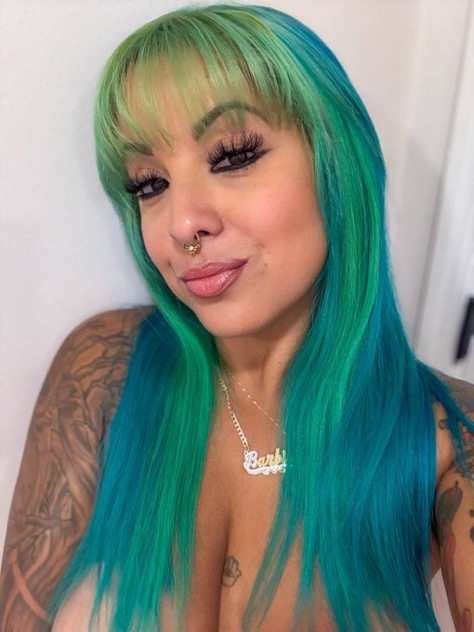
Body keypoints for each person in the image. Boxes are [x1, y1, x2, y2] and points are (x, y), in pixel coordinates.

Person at [1, 4, 473, 631]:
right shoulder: (104, 370)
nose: (181, 223)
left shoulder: (451, 438)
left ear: (337, 164)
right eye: (149, 184)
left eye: (232, 155)